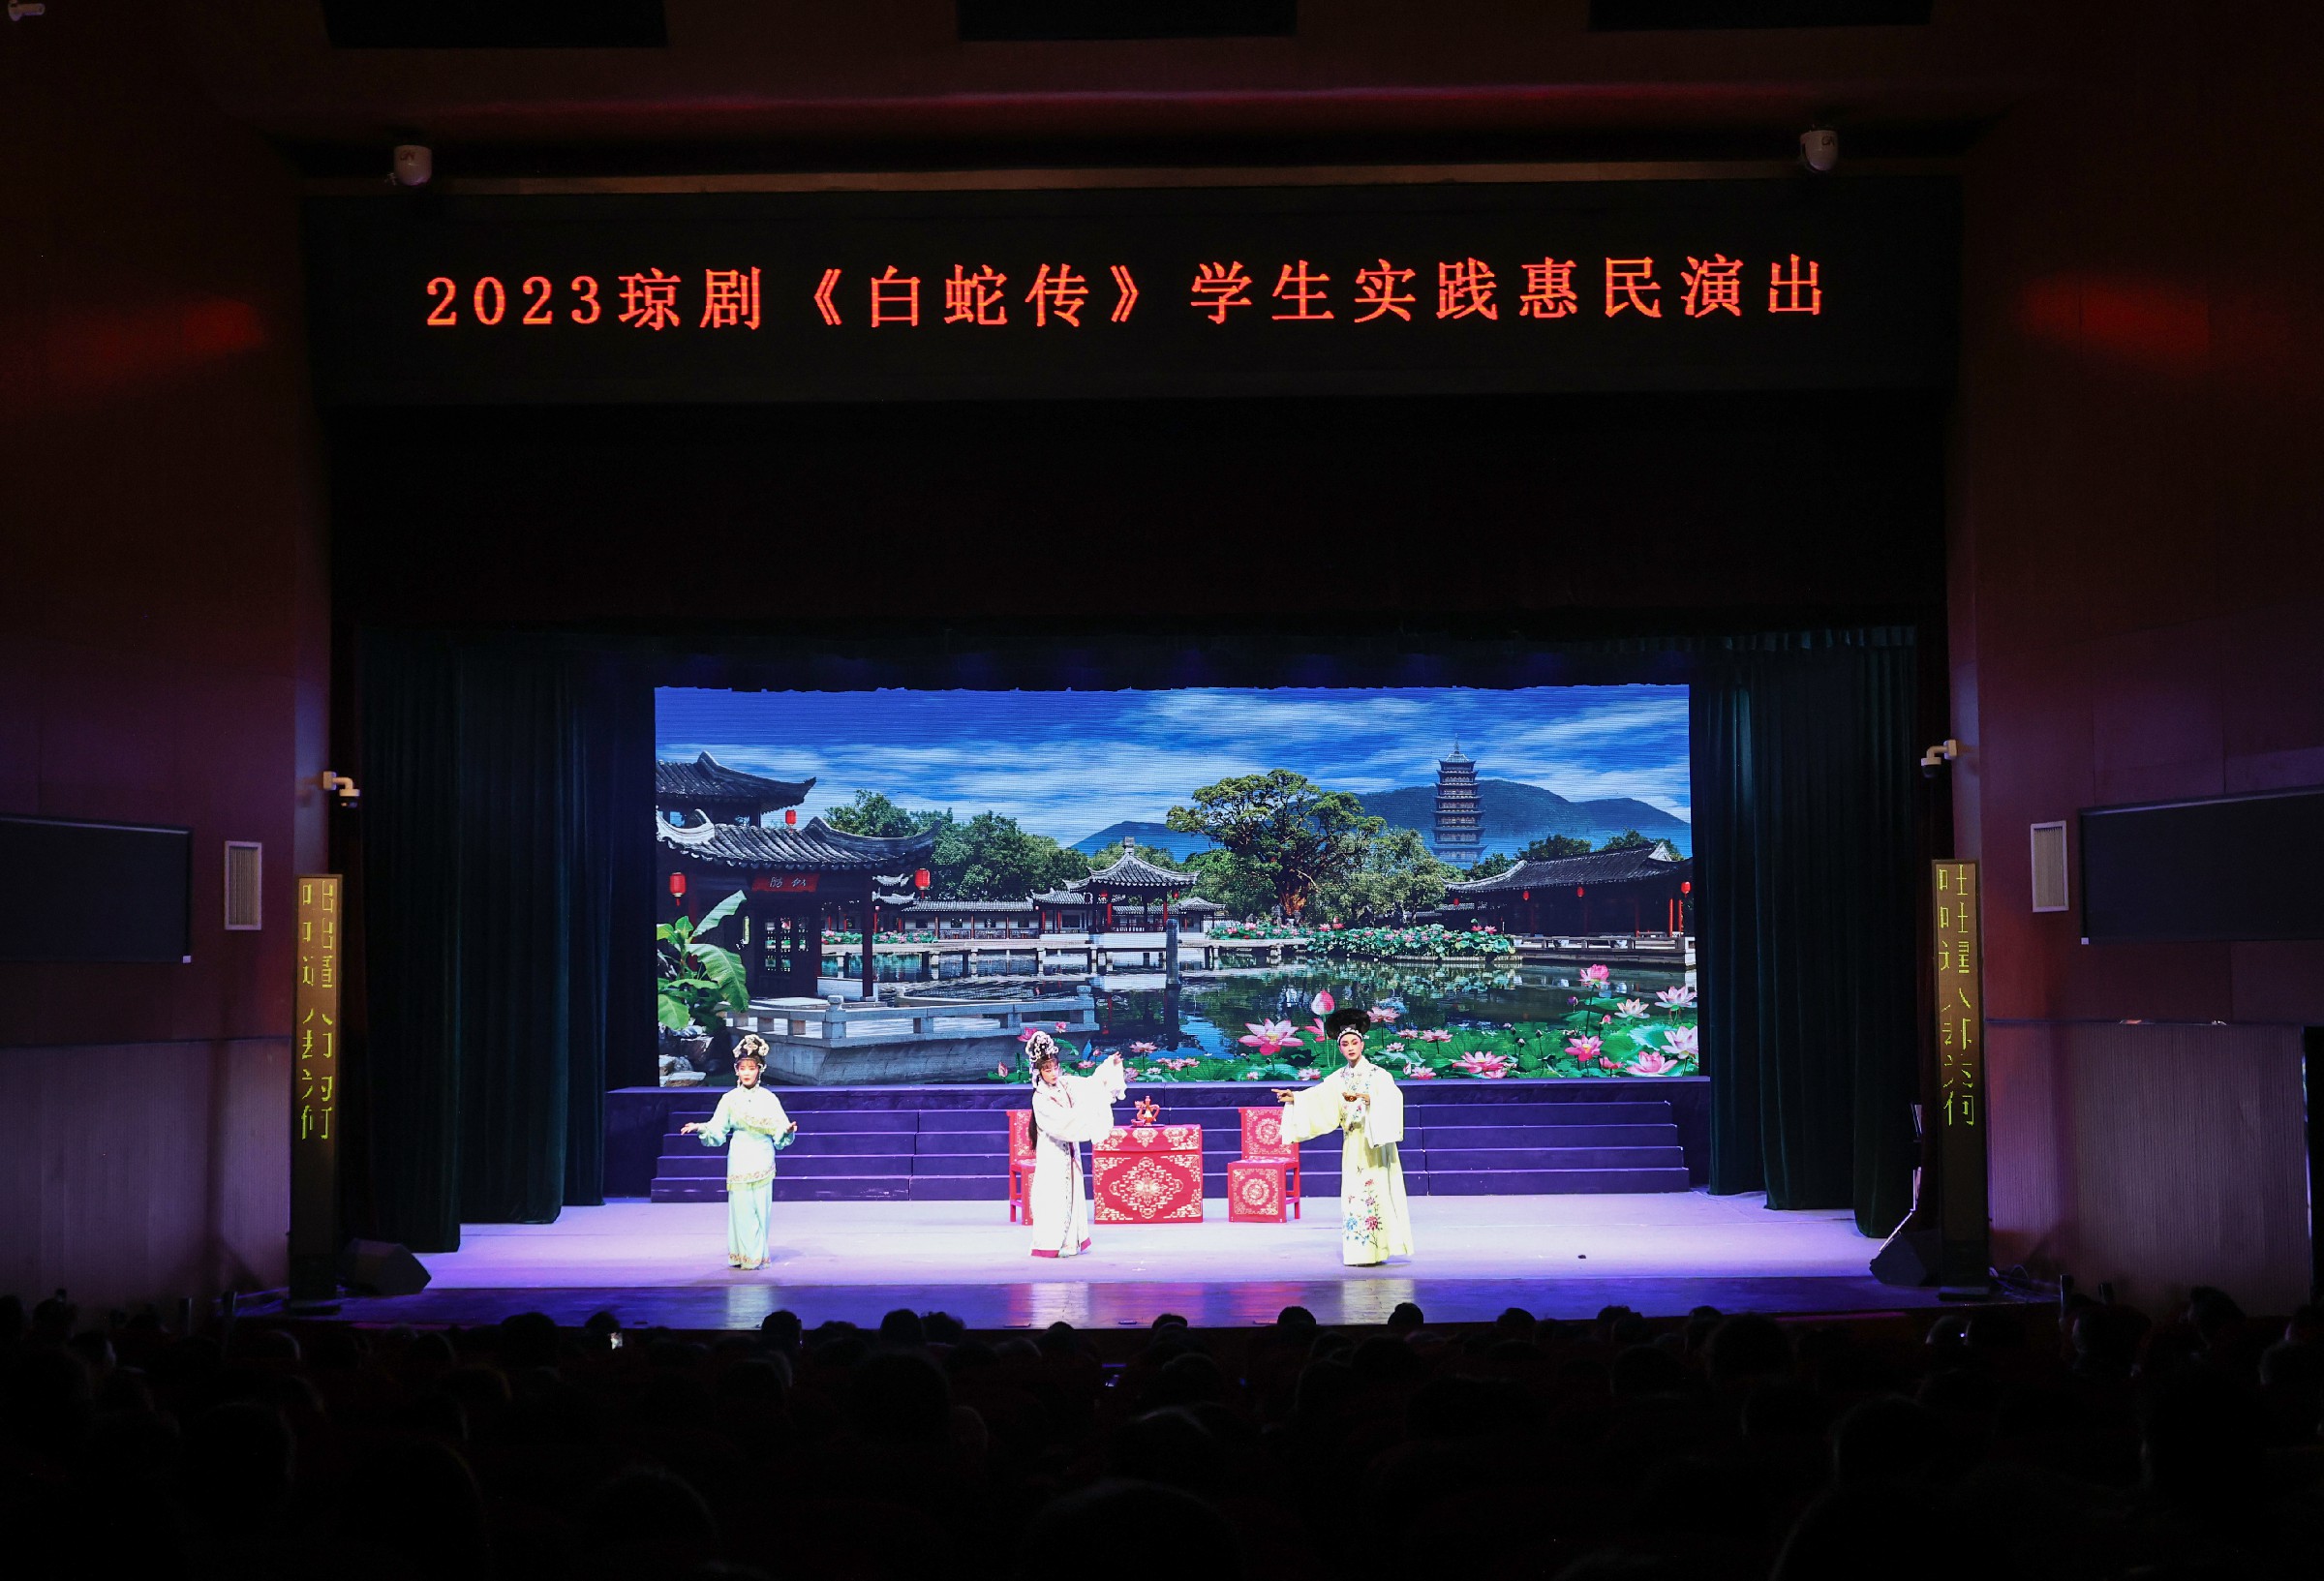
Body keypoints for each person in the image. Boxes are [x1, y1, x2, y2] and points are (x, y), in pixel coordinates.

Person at [1274, 1005, 1412, 1266]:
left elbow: (1394, 1099)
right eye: (1345, 1044)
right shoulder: (1338, 1078)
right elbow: (1318, 1097)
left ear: (1362, 1045)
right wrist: (1294, 1098)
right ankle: (1360, 1251)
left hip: (1375, 1142)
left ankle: (1380, 1249)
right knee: (1354, 1197)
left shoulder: (1378, 1075)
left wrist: (1370, 1099)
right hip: (1353, 1144)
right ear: (1340, 1048)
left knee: (1377, 1194)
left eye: (1354, 1043)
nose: (1350, 1048)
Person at [680, 1034, 797, 1270]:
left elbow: (780, 1129)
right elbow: (717, 1128)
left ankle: (757, 1255)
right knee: (741, 1209)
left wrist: (786, 1131)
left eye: (751, 1068)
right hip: (740, 1154)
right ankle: (743, 1255)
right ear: (736, 1071)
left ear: (759, 1070)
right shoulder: (729, 1099)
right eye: (742, 1068)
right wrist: (700, 1127)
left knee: (760, 1208)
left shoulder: (769, 1098)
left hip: (762, 1154)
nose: (746, 1073)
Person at [1025, 1032, 1125, 1259]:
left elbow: (1092, 1087)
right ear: (1039, 1072)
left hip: (1070, 1153)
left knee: (1072, 1194)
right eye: (1047, 1070)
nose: (1053, 1073)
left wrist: (1110, 1065)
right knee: (1053, 1197)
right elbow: (1061, 1123)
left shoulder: (1066, 1084)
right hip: (1052, 1153)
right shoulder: (1040, 1097)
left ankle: (1070, 1243)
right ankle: (1049, 1243)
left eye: (1055, 1068)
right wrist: (1084, 1114)